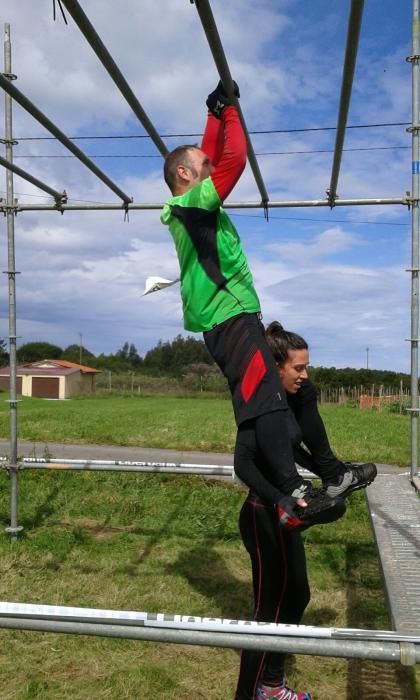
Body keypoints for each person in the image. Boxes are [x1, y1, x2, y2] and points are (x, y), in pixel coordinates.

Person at [161, 81, 343, 529]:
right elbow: (233, 159)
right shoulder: (195, 202)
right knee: (264, 401)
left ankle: (294, 487)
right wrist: (231, 113)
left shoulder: (193, 202)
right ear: (186, 175)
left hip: (231, 315)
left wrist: (211, 113)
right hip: (228, 315)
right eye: (200, 165)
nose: (209, 164)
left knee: (263, 399)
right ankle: (293, 489)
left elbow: (207, 155)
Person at [234, 323, 376, 700]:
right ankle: (249, 695)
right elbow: (243, 463)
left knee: (297, 596)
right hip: (263, 514)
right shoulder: (261, 405)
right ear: (276, 367)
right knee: (266, 612)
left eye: (306, 366)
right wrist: (279, 498)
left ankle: (271, 684)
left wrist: (328, 472)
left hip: (287, 516)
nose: (305, 374)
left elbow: (294, 449)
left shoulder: (290, 403)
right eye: (298, 368)